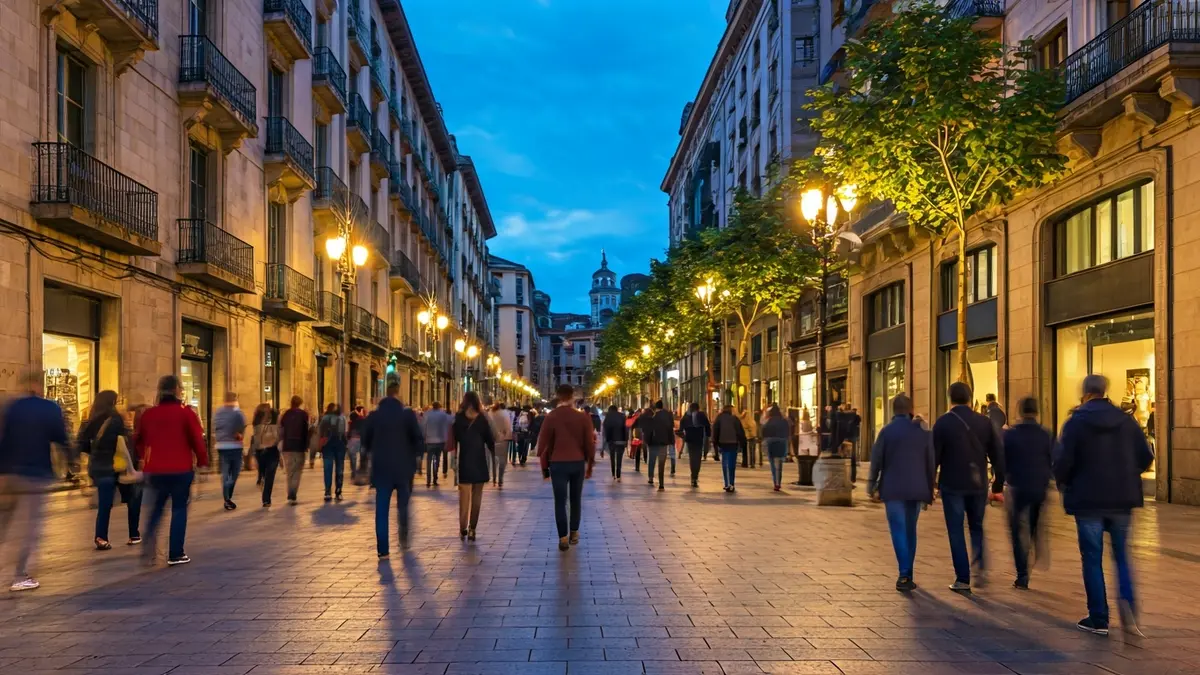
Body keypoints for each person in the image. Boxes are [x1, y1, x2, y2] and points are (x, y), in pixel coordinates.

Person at [1055, 374, 1154, 636]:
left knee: (1092, 558)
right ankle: (1130, 611)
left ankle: (1099, 618)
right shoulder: (1126, 421)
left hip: (1088, 501)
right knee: (1122, 556)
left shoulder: (1075, 423)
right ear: (1105, 392)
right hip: (1122, 500)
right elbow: (1146, 457)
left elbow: (1063, 462)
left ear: (1085, 394)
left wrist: (1064, 482)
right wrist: (1126, 474)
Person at [932, 381, 1006, 592]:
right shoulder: (984, 422)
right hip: (978, 483)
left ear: (950, 398)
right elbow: (998, 455)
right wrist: (998, 484)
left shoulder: (943, 423)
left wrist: (931, 484)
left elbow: (933, 457)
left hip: (952, 484)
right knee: (976, 526)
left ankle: (962, 578)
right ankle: (980, 567)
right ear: (969, 398)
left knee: (955, 530)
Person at [0, 372, 69, 590]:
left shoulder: (11, 407)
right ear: (39, 385)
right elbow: (61, 437)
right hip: (34, 475)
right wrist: (72, 462)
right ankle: (20, 576)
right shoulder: (49, 408)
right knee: (28, 527)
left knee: (4, 524)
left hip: (8, 474)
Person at [135, 375, 208, 566]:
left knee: (156, 509)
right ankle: (176, 553)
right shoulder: (186, 413)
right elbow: (197, 440)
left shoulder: (149, 414)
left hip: (155, 470)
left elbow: (138, 439)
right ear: (177, 390)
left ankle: (148, 547)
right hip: (180, 469)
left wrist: (145, 456)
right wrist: (202, 462)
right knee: (179, 509)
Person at [866, 394, 935, 592]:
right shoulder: (923, 432)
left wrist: (871, 484)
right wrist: (929, 491)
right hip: (916, 488)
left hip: (893, 488)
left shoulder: (886, 431)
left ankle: (904, 574)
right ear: (911, 408)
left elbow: (876, 459)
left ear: (893, 410)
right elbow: (930, 463)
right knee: (910, 530)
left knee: (898, 529)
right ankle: (908, 573)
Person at [362, 382, 424, 557]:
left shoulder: (374, 416)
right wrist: (417, 456)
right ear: (398, 394)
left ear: (385, 394)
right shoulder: (407, 415)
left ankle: (383, 550)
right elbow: (418, 439)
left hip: (381, 469)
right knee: (403, 506)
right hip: (403, 469)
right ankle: (403, 538)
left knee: (381, 509)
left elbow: (365, 440)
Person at [1003, 396, 1053, 590]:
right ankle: (1036, 545)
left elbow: (1003, 460)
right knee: (1034, 523)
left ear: (1020, 412)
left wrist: (1001, 480)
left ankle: (1022, 573)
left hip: (1017, 486)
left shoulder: (1011, 434)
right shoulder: (1045, 434)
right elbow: (1052, 459)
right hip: (1039, 486)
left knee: (1016, 530)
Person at [538, 384, 596, 551]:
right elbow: (589, 444)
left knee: (560, 501)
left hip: (558, 463)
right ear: (572, 396)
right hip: (577, 463)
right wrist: (590, 465)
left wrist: (544, 467)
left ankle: (562, 537)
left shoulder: (551, 417)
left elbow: (542, 445)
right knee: (576, 499)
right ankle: (574, 531)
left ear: (557, 395)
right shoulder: (583, 417)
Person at [448, 392, 494, 541]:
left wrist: (453, 458)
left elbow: (455, 439)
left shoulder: (459, 419)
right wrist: (495, 455)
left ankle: (463, 528)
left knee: (464, 497)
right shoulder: (482, 419)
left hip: (465, 461)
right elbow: (490, 439)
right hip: (479, 461)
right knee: (477, 497)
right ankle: (473, 528)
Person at [213, 392, 246, 511]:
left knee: (225, 473)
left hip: (222, 447)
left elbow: (215, 427)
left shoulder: (218, 412)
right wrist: (239, 434)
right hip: (235, 446)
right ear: (234, 399)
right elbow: (242, 426)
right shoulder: (237, 412)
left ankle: (227, 497)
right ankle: (228, 496)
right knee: (235, 472)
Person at [279, 396, 309, 505]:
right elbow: (306, 431)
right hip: (299, 447)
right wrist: (306, 445)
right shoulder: (303, 414)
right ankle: (293, 493)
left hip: (287, 446)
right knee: (297, 472)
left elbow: (281, 430)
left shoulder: (286, 414)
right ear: (300, 403)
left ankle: (290, 492)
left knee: (290, 471)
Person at [250, 404, 280, 507]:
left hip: (271, 451)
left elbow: (278, 436)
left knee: (270, 475)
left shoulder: (274, 420)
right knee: (264, 472)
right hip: (262, 450)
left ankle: (266, 499)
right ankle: (260, 479)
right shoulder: (257, 423)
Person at [712, 405, 747, 492]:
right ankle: (731, 483)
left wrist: (715, 443)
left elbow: (715, 430)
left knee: (725, 462)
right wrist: (743, 443)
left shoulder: (719, 418)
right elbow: (740, 432)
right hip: (733, 443)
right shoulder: (734, 419)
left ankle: (727, 483)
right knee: (732, 464)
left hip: (723, 443)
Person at [318, 403, 347, 502]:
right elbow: (344, 433)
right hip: (340, 445)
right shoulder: (342, 418)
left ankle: (327, 492)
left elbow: (320, 432)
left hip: (327, 446)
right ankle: (338, 491)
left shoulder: (325, 418)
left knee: (328, 469)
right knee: (339, 469)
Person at [679, 403, 712, 488]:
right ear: (698, 408)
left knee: (692, 458)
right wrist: (708, 435)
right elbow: (707, 426)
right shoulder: (701, 415)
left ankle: (693, 476)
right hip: (699, 439)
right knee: (697, 458)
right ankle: (695, 476)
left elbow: (681, 428)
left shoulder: (686, 416)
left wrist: (684, 436)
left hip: (690, 439)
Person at [644, 401, 674, 491]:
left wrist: (647, 441)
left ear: (655, 408)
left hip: (654, 443)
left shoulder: (654, 417)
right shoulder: (668, 416)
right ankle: (661, 484)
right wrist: (671, 441)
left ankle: (650, 477)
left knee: (652, 461)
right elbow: (670, 429)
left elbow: (648, 430)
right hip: (664, 443)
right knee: (661, 464)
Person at [420, 402, 451, 488]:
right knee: (437, 460)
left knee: (429, 460)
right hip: (440, 441)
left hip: (430, 441)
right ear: (439, 407)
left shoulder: (427, 414)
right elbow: (448, 424)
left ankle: (428, 480)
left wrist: (424, 436)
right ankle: (435, 478)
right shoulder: (443, 415)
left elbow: (423, 426)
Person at [761, 405, 791, 491]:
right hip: (782, 441)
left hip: (771, 441)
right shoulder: (784, 421)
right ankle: (778, 481)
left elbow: (764, 430)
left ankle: (776, 481)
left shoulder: (769, 421)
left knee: (772, 462)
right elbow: (788, 431)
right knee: (779, 462)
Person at [486, 401, 512, 488]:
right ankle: (500, 479)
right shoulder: (505, 414)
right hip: (503, 439)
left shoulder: (490, 413)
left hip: (492, 439)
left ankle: (494, 479)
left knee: (493, 460)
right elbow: (508, 427)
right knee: (502, 460)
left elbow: (487, 426)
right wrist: (508, 436)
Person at [602, 405, 628, 481]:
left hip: (611, 440)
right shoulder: (622, 416)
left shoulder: (608, 417)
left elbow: (605, 430)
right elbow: (625, 429)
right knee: (619, 458)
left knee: (612, 457)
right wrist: (626, 440)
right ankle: (618, 475)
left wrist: (606, 442)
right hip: (621, 440)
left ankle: (613, 474)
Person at [348, 405, 366, 482]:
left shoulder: (352, 419)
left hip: (353, 438)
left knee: (353, 456)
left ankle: (354, 472)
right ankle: (359, 472)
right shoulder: (362, 419)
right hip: (360, 439)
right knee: (362, 456)